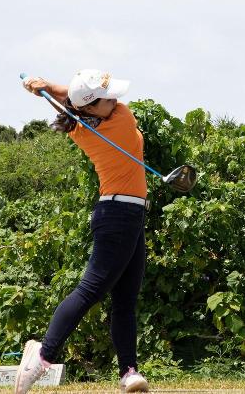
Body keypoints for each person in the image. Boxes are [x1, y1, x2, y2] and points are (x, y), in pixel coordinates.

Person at [15, 69, 150, 394]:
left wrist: (48, 87)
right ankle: (42, 356)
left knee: (125, 300)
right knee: (91, 290)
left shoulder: (79, 126)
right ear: (90, 106)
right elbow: (74, 98)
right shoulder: (122, 118)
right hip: (119, 215)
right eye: (107, 97)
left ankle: (129, 371)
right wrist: (50, 87)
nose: (115, 99)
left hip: (127, 214)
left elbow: (74, 100)